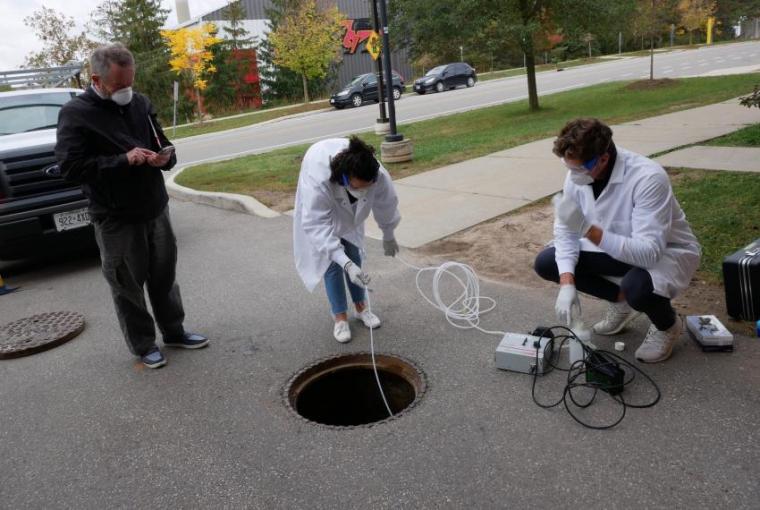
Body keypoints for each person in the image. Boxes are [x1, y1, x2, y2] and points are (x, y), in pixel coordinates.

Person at [55, 43, 208, 369]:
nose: (127, 91)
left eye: (130, 82)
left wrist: (165, 157)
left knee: (164, 276)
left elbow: (162, 141)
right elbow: (71, 167)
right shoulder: (76, 114)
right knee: (127, 286)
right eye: (119, 85)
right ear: (97, 80)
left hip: (155, 206)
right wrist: (123, 160)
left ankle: (174, 330)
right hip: (115, 217)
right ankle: (143, 345)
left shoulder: (140, 103)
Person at [534, 118, 700, 363]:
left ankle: (667, 326)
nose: (571, 175)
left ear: (602, 159)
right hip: (613, 247)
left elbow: (648, 254)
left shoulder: (648, 178)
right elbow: (566, 232)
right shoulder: (578, 175)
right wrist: (567, 282)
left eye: (578, 169)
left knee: (638, 287)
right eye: (567, 166)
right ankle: (620, 302)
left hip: (665, 252)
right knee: (548, 262)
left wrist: (589, 230)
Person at [293, 136, 401, 343]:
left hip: (347, 212)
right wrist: (345, 264)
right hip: (326, 210)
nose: (363, 192)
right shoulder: (318, 178)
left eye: (367, 187)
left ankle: (361, 307)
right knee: (332, 263)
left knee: (353, 252)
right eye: (358, 187)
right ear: (344, 178)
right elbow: (317, 223)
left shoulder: (377, 174)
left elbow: (386, 204)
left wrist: (388, 235)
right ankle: (340, 317)